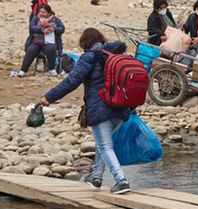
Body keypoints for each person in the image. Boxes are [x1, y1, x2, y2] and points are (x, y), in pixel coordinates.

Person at [39, 28, 131, 194]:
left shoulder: (89, 56)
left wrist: (49, 97)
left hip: (100, 107)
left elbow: (71, 82)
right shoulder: (115, 55)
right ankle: (96, 178)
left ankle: (121, 181)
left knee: (105, 146)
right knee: (103, 145)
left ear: (85, 42)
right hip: (120, 108)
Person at [17, 4, 64, 77]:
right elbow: (31, 28)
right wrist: (41, 29)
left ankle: (52, 69)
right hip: (37, 41)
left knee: (51, 49)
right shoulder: (36, 19)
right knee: (31, 50)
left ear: (49, 13)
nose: (41, 14)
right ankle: (23, 70)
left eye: (43, 12)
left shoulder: (56, 20)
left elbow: (62, 29)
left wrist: (54, 29)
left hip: (50, 41)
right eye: (40, 12)